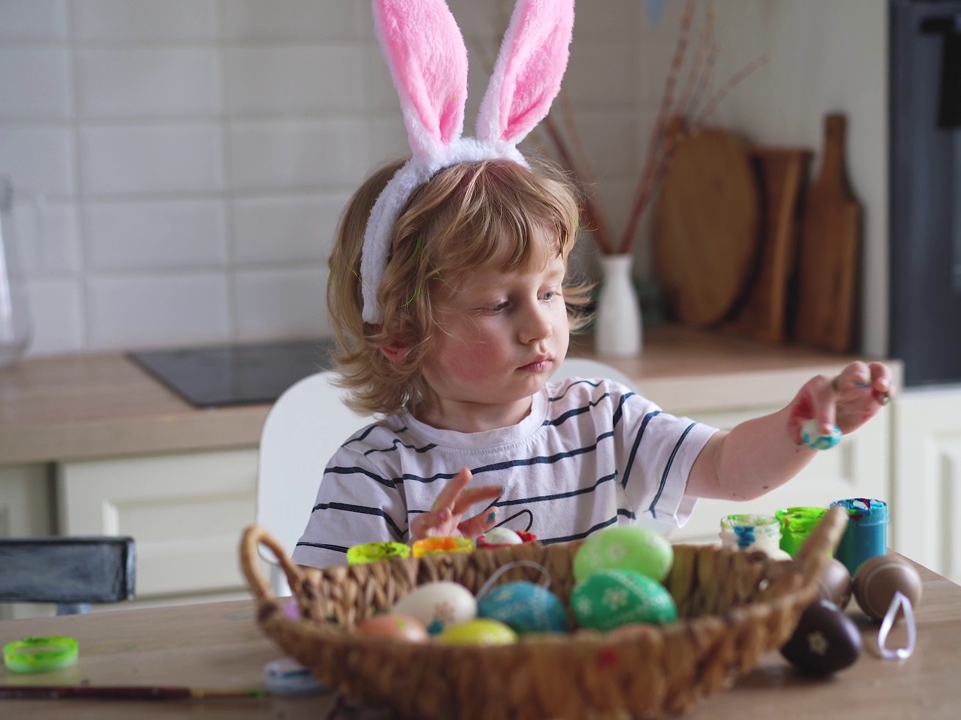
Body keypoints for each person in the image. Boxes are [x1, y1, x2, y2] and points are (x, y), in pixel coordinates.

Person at [292, 0, 892, 568]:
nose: (538, 326)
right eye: (500, 304)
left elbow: (728, 466)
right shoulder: (372, 475)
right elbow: (319, 610)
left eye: (548, 291)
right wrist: (413, 568)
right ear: (399, 336)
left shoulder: (604, 421)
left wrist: (802, 429)